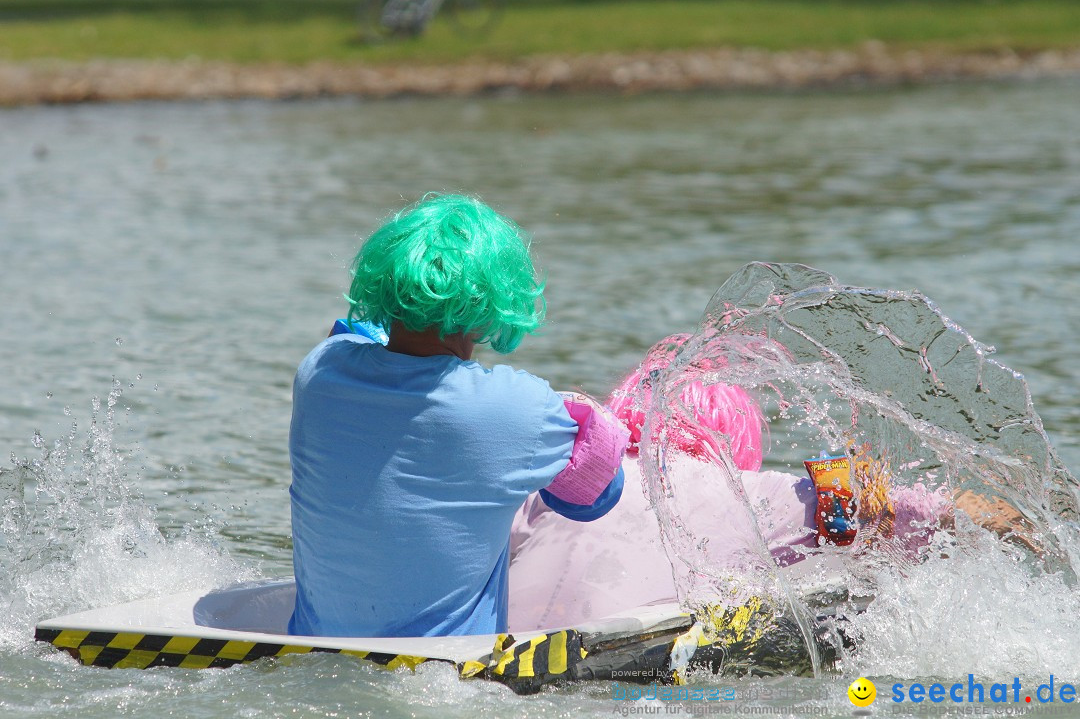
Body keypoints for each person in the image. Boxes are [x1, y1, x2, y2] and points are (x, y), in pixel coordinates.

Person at [508, 333, 1032, 632]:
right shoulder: (764, 499)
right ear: (740, 435)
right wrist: (1035, 518)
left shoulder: (547, 490)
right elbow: (921, 514)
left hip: (498, 656)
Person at [288, 194, 625, 638]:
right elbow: (595, 496)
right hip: (451, 676)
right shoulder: (518, 406)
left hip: (311, 652)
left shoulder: (319, 371)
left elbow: (353, 340)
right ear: (493, 302)